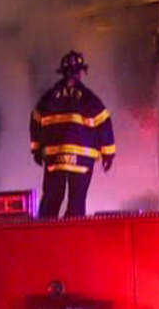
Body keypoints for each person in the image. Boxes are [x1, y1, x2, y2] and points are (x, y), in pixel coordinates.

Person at [29, 51, 116, 218]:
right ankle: (72, 235)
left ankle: (43, 235)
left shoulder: (48, 98)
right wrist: (108, 155)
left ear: (62, 72)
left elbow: (35, 120)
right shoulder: (89, 99)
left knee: (51, 199)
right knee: (77, 201)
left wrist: (36, 150)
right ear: (80, 72)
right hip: (81, 162)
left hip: (55, 160)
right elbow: (104, 122)